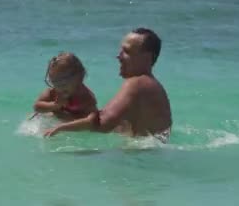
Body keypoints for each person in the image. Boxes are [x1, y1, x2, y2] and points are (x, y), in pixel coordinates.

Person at [44, 28, 172, 143]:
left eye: (127, 51)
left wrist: (58, 121)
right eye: (121, 50)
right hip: (149, 157)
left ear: (148, 58)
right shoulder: (149, 85)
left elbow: (100, 124)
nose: (118, 56)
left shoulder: (138, 84)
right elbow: (114, 126)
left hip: (141, 160)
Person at [32, 52, 98, 121]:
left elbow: (92, 118)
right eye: (54, 82)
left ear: (79, 78)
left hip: (68, 122)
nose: (59, 87)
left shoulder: (86, 97)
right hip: (50, 118)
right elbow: (36, 107)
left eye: (63, 82)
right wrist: (54, 105)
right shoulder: (52, 92)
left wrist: (68, 117)